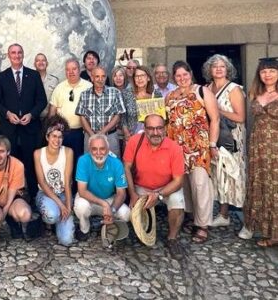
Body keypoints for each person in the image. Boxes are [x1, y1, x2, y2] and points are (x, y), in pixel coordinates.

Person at [165, 61, 219, 244]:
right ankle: (191, 216)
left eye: (185, 75)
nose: (182, 78)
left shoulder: (202, 92)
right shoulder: (170, 96)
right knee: (184, 184)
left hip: (198, 147)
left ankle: (203, 224)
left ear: (190, 74)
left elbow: (215, 120)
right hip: (177, 148)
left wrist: (212, 144)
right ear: (174, 77)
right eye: (178, 76)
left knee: (200, 183)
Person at [123, 115, 185, 257]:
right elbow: (126, 167)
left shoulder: (174, 148)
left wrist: (159, 194)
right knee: (136, 212)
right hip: (141, 186)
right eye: (151, 128)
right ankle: (143, 231)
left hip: (166, 187)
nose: (155, 132)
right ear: (144, 129)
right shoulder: (134, 142)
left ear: (165, 129)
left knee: (177, 202)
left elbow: (178, 181)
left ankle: (172, 238)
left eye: (159, 128)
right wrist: (132, 194)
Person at [0, 43, 47, 200]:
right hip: (9, 129)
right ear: (9, 56)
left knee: (30, 163)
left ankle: (35, 197)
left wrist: (31, 114)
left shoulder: (33, 75)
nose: (16, 55)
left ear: (23, 55)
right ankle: (12, 196)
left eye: (19, 52)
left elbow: (42, 100)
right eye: (13, 53)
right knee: (10, 163)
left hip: (30, 128)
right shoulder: (1, 77)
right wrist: (8, 113)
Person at [202, 54, 246, 229]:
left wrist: (217, 111)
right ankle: (223, 214)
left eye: (222, 66)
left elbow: (240, 117)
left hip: (231, 140)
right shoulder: (207, 88)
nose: (219, 69)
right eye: (215, 66)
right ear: (209, 70)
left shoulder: (234, 89)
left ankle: (248, 221)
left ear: (228, 69)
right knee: (219, 177)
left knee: (233, 176)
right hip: (214, 138)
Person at [242, 57, 278, 247]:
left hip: (276, 147)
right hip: (259, 147)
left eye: (272, 70)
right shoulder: (256, 93)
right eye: (264, 71)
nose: (268, 74)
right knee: (263, 187)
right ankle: (269, 232)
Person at [73, 133, 130, 241]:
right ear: (89, 150)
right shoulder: (83, 160)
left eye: (102, 149)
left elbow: (121, 193)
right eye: (94, 149)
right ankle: (84, 229)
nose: (98, 153)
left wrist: (112, 210)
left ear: (108, 149)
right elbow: (82, 191)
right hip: (89, 198)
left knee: (126, 214)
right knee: (82, 207)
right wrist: (104, 204)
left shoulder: (116, 163)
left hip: (109, 198)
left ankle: (109, 223)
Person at [48, 58, 91, 183]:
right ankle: (62, 188)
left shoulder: (88, 86)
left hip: (81, 133)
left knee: (79, 162)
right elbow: (52, 111)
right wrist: (52, 130)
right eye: (68, 69)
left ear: (79, 69)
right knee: (63, 162)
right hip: (62, 133)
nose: (71, 72)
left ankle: (78, 190)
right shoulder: (59, 88)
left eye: (74, 69)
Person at [33, 115, 74, 246]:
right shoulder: (38, 153)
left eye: (60, 137)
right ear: (47, 137)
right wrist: (61, 206)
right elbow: (42, 183)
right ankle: (48, 221)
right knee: (52, 215)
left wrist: (67, 206)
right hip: (45, 194)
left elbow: (67, 182)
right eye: (54, 136)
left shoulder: (68, 152)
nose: (57, 140)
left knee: (66, 241)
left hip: (62, 194)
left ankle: (60, 223)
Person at [75, 66, 125, 157]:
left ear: (106, 78)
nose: (100, 79)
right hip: (90, 136)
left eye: (103, 76)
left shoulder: (115, 92)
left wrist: (102, 132)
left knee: (113, 164)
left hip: (110, 137)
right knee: (90, 165)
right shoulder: (84, 94)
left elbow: (118, 116)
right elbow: (82, 116)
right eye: (97, 76)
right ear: (92, 78)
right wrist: (92, 134)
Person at [121, 65, 163, 140]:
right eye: (136, 76)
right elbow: (123, 117)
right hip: (132, 137)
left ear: (148, 78)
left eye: (142, 75)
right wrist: (126, 134)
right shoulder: (126, 94)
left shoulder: (156, 94)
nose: (139, 78)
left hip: (152, 138)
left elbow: (161, 117)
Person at [34, 53, 59, 120]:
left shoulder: (54, 80)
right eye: (38, 60)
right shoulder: (29, 79)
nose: (41, 62)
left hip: (49, 119)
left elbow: (57, 101)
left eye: (43, 60)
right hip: (32, 119)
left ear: (47, 63)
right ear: (34, 64)